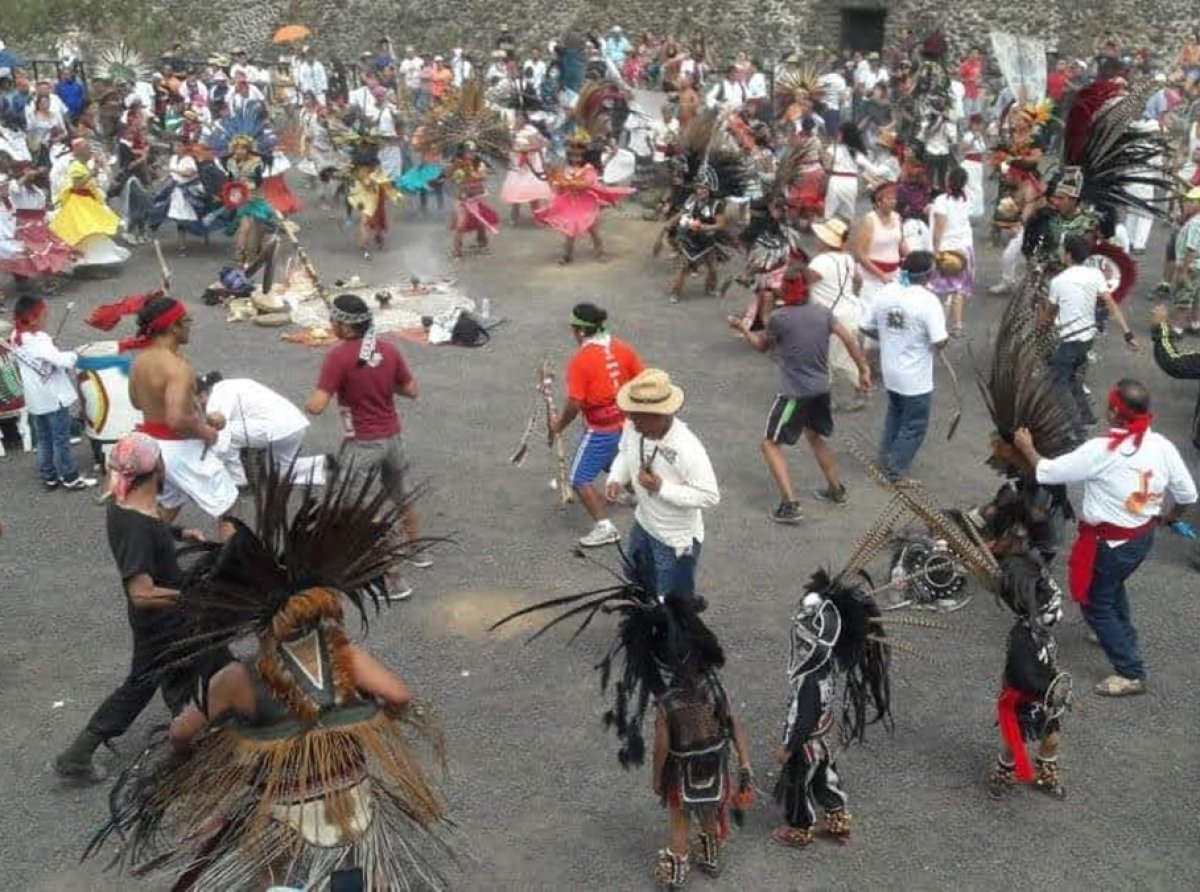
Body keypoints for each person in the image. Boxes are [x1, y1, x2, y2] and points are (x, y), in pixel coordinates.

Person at [83, 459, 452, 888]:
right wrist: (368, 720)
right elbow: (400, 696)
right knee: (370, 871)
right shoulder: (345, 657)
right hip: (353, 804)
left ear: (255, 623)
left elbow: (181, 734)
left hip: (280, 814)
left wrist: (190, 759)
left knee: (266, 868)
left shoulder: (239, 679)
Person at [491, 562, 753, 888]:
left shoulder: (668, 704)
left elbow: (662, 746)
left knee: (680, 820)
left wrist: (657, 776)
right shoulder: (714, 689)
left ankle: (675, 870)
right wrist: (744, 763)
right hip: (715, 767)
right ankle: (711, 856)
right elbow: (735, 724)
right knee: (711, 812)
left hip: (682, 773)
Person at [53, 433, 232, 782]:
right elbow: (141, 593)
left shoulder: (127, 503)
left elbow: (153, 523)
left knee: (209, 657)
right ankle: (79, 753)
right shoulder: (135, 526)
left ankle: (209, 716)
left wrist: (179, 533)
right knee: (148, 679)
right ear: (157, 469)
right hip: (162, 619)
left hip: (171, 616)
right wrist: (188, 597)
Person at [1013, 379, 1198, 696]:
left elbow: (1048, 471)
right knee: (1111, 586)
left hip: (1109, 544)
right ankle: (1119, 633)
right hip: (1141, 539)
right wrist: (1170, 518)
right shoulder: (1163, 446)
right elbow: (1188, 494)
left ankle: (1130, 671)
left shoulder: (1102, 450)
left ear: (1114, 411)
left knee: (1096, 604)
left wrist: (1027, 447)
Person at [304, 294, 425, 601]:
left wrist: (312, 398)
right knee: (402, 495)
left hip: (362, 444)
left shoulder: (339, 357)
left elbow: (317, 405)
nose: (330, 325)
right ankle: (419, 551)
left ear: (344, 326)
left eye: (333, 321)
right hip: (393, 438)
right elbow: (412, 391)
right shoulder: (387, 349)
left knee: (360, 509)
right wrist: (382, 382)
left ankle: (393, 576)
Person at [89, 293, 239, 535]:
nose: (190, 327)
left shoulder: (140, 361)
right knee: (230, 508)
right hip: (180, 448)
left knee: (168, 506)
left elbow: (137, 402)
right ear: (173, 327)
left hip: (154, 447)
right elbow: (176, 420)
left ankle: (149, 554)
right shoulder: (177, 367)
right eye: (187, 321)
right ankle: (234, 569)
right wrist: (207, 432)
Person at [731, 262, 871, 522]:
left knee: (770, 444)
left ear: (785, 290)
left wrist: (742, 328)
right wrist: (863, 369)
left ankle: (790, 505)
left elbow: (762, 345)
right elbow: (849, 339)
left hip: (795, 393)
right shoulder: (822, 313)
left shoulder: (779, 319)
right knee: (815, 436)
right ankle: (836, 490)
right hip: (821, 389)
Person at [772, 571, 891, 847]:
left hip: (806, 745)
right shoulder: (826, 669)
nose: (800, 648)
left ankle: (800, 829)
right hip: (822, 741)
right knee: (826, 778)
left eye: (804, 643)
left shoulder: (810, 682)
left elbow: (803, 721)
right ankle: (838, 820)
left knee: (798, 786)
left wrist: (788, 749)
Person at [605, 369, 719, 602]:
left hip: (675, 539)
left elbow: (709, 495)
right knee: (635, 576)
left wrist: (662, 488)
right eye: (631, 415)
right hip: (644, 524)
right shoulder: (633, 425)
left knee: (669, 602)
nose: (632, 422)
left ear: (659, 415)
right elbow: (626, 452)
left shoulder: (688, 448)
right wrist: (616, 477)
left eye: (638, 417)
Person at [549, 303, 645, 547]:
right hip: (627, 423)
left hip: (601, 429)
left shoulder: (580, 360)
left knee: (579, 478)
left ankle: (605, 527)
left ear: (581, 331)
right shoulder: (621, 348)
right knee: (613, 462)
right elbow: (642, 379)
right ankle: (641, 495)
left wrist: (559, 425)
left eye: (573, 328)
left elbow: (575, 403)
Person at [860, 250, 947, 482]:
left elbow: (865, 326)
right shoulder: (928, 300)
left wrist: (889, 338)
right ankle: (895, 470)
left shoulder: (886, 291)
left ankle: (885, 457)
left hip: (890, 370)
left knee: (895, 414)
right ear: (929, 274)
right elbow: (939, 340)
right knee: (914, 424)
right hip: (915, 377)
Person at [1042, 235, 1139, 435]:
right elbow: (1111, 305)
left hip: (1070, 340)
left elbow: (1048, 316)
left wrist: (1040, 325)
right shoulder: (1095, 275)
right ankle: (1087, 417)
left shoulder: (1058, 281)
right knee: (1073, 379)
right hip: (1087, 338)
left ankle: (1077, 429)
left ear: (1068, 255)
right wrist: (1128, 335)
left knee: (1057, 382)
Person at [7, 296, 95, 489]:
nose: (46, 318)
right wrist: (74, 354)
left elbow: (41, 355)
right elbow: (61, 361)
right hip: (53, 398)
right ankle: (70, 477)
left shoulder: (16, 336)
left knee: (44, 438)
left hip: (36, 398)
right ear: (33, 319)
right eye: (43, 315)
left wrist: (49, 346)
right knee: (60, 439)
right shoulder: (38, 341)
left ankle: (49, 475)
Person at [195, 372, 327, 489]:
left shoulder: (216, 400)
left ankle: (239, 481)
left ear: (202, 395)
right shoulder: (232, 385)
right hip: (296, 426)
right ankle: (321, 464)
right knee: (280, 473)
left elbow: (221, 443)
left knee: (221, 434)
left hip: (279, 429)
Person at [929, 166, 975, 336]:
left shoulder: (942, 200)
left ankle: (938, 326)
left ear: (949, 181)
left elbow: (939, 227)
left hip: (947, 248)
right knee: (958, 289)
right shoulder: (967, 198)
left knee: (939, 288)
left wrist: (934, 249)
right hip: (964, 248)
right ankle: (957, 325)